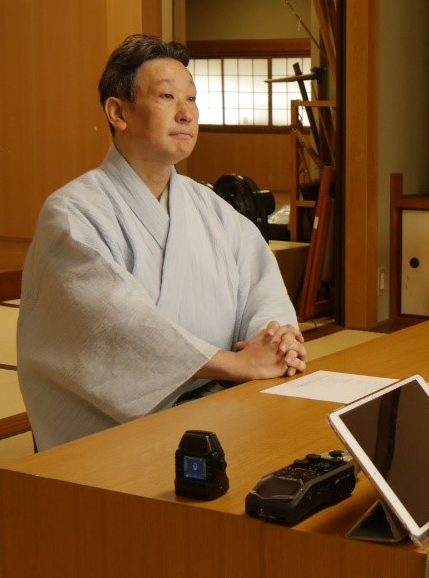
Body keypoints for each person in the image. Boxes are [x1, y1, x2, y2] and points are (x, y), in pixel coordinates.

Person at [17, 35, 306, 451]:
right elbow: (115, 325)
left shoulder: (210, 207)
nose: (186, 114)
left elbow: (262, 285)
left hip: (227, 397)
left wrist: (276, 340)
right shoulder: (73, 213)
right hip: (118, 425)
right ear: (118, 112)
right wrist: (236, 365)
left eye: (192, 99)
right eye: (168, 97)